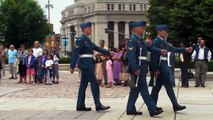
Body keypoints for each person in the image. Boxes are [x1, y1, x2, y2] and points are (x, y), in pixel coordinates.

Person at [70, 21, 113, 111]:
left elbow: (97, 48)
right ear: (85, 29)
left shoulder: (87, 40)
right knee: (94, 83)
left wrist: (109, 52)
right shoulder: (80, 40)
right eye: (89, 28)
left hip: (88, 63)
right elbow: (75, 53)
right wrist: (72, 66)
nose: (91, 30)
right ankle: (98, 104)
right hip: (86, 64)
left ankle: (80, 105)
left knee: (83, 85)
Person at [126, 21, 166, 116]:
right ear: (135, 29)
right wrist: (135, 68)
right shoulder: (133, 40)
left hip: (142, 67)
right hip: (138, 68)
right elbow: (131, 56)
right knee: (143, 89)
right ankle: (152, 109)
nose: (143, 30)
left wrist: (160, 51)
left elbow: (149, 48)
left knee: (135, 89)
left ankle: (130, 108)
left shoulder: (140, 40)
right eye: (141, 28)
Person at [150, 24, 193, 112]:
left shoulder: (163, 41)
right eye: (164, 31)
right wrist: (156, 69)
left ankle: (153, 106)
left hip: (163, 66)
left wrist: (185, 49)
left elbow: (173, 48)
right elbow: (153, 57)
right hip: (161, 67)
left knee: (157, 88)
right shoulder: (156, 41)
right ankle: (174, 105)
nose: (166, 33)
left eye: (166, 31)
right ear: (159, 32)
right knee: (168, 86)